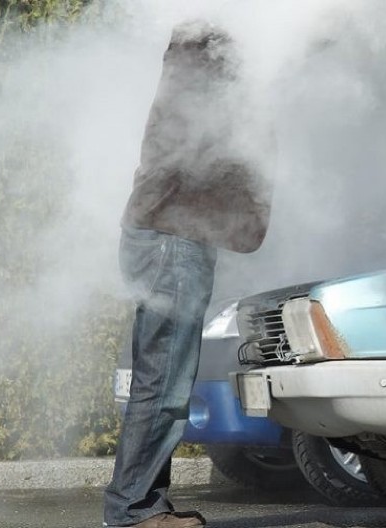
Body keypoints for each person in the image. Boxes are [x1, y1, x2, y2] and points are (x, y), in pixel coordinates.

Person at [104, 19, 272, 528]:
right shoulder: (206, 51)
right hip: (173, 242)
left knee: (160, 383)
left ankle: (142, 504)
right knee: (163, 387)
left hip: (169, 237)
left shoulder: (194, 52)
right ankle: (134, 510)